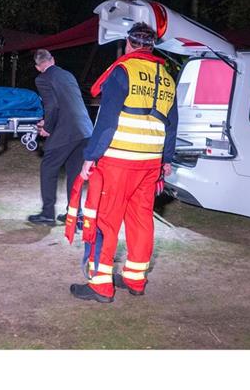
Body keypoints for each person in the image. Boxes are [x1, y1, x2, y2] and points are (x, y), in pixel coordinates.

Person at [70, 22, 178, 303]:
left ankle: (101, 285)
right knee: (141, 220)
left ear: (129, 44)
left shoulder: (123, 70)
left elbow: (107, 121)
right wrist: (166, 160)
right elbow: (172, 124)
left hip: (119, 160)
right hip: (150, 164)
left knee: (106, 219)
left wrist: (90, 156)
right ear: (152, 46)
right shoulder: (166, 76)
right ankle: (135, 278)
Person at [27, 49, 93, 226]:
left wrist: (47, 127)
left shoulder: (42, 79)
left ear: (37, 67)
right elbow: (66, 104)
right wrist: (48, 122)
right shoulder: (68, 75)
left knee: (48, 168)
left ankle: (48, 214)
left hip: (67, 131)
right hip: (85, 130)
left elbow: (53, 106)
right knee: (74, 173)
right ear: (53, 60)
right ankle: (75, 215)